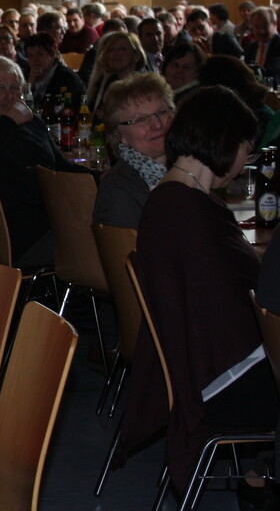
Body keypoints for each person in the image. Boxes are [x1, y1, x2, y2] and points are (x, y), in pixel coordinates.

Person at [130, 85, 277, 497]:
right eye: (247, 147)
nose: (247, 158)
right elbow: (256, 297)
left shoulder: (168, 197)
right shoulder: (194, 211)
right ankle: (265, 476)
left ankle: (266, 470)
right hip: (218, 386)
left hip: (194, 374)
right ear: (225, 141)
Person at [0, 56, 92, 266]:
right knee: (104, 243)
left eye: (15, 88)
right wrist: (8, 122)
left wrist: (98, 178)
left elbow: (61, 167)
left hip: (56, 220)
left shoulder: (31, 122)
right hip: (22, 237)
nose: (9, 97)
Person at [93, 73, 174, 229]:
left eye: (162, 112)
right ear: (120, 134)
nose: (157, 125)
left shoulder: (190, 166)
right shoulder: (119, 187)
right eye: (141, 120)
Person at [86, 30, 148, 119]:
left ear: (136, 56)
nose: (116, 54)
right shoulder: (108, 81)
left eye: (123, 49)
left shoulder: (144, 85)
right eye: (111, 50)